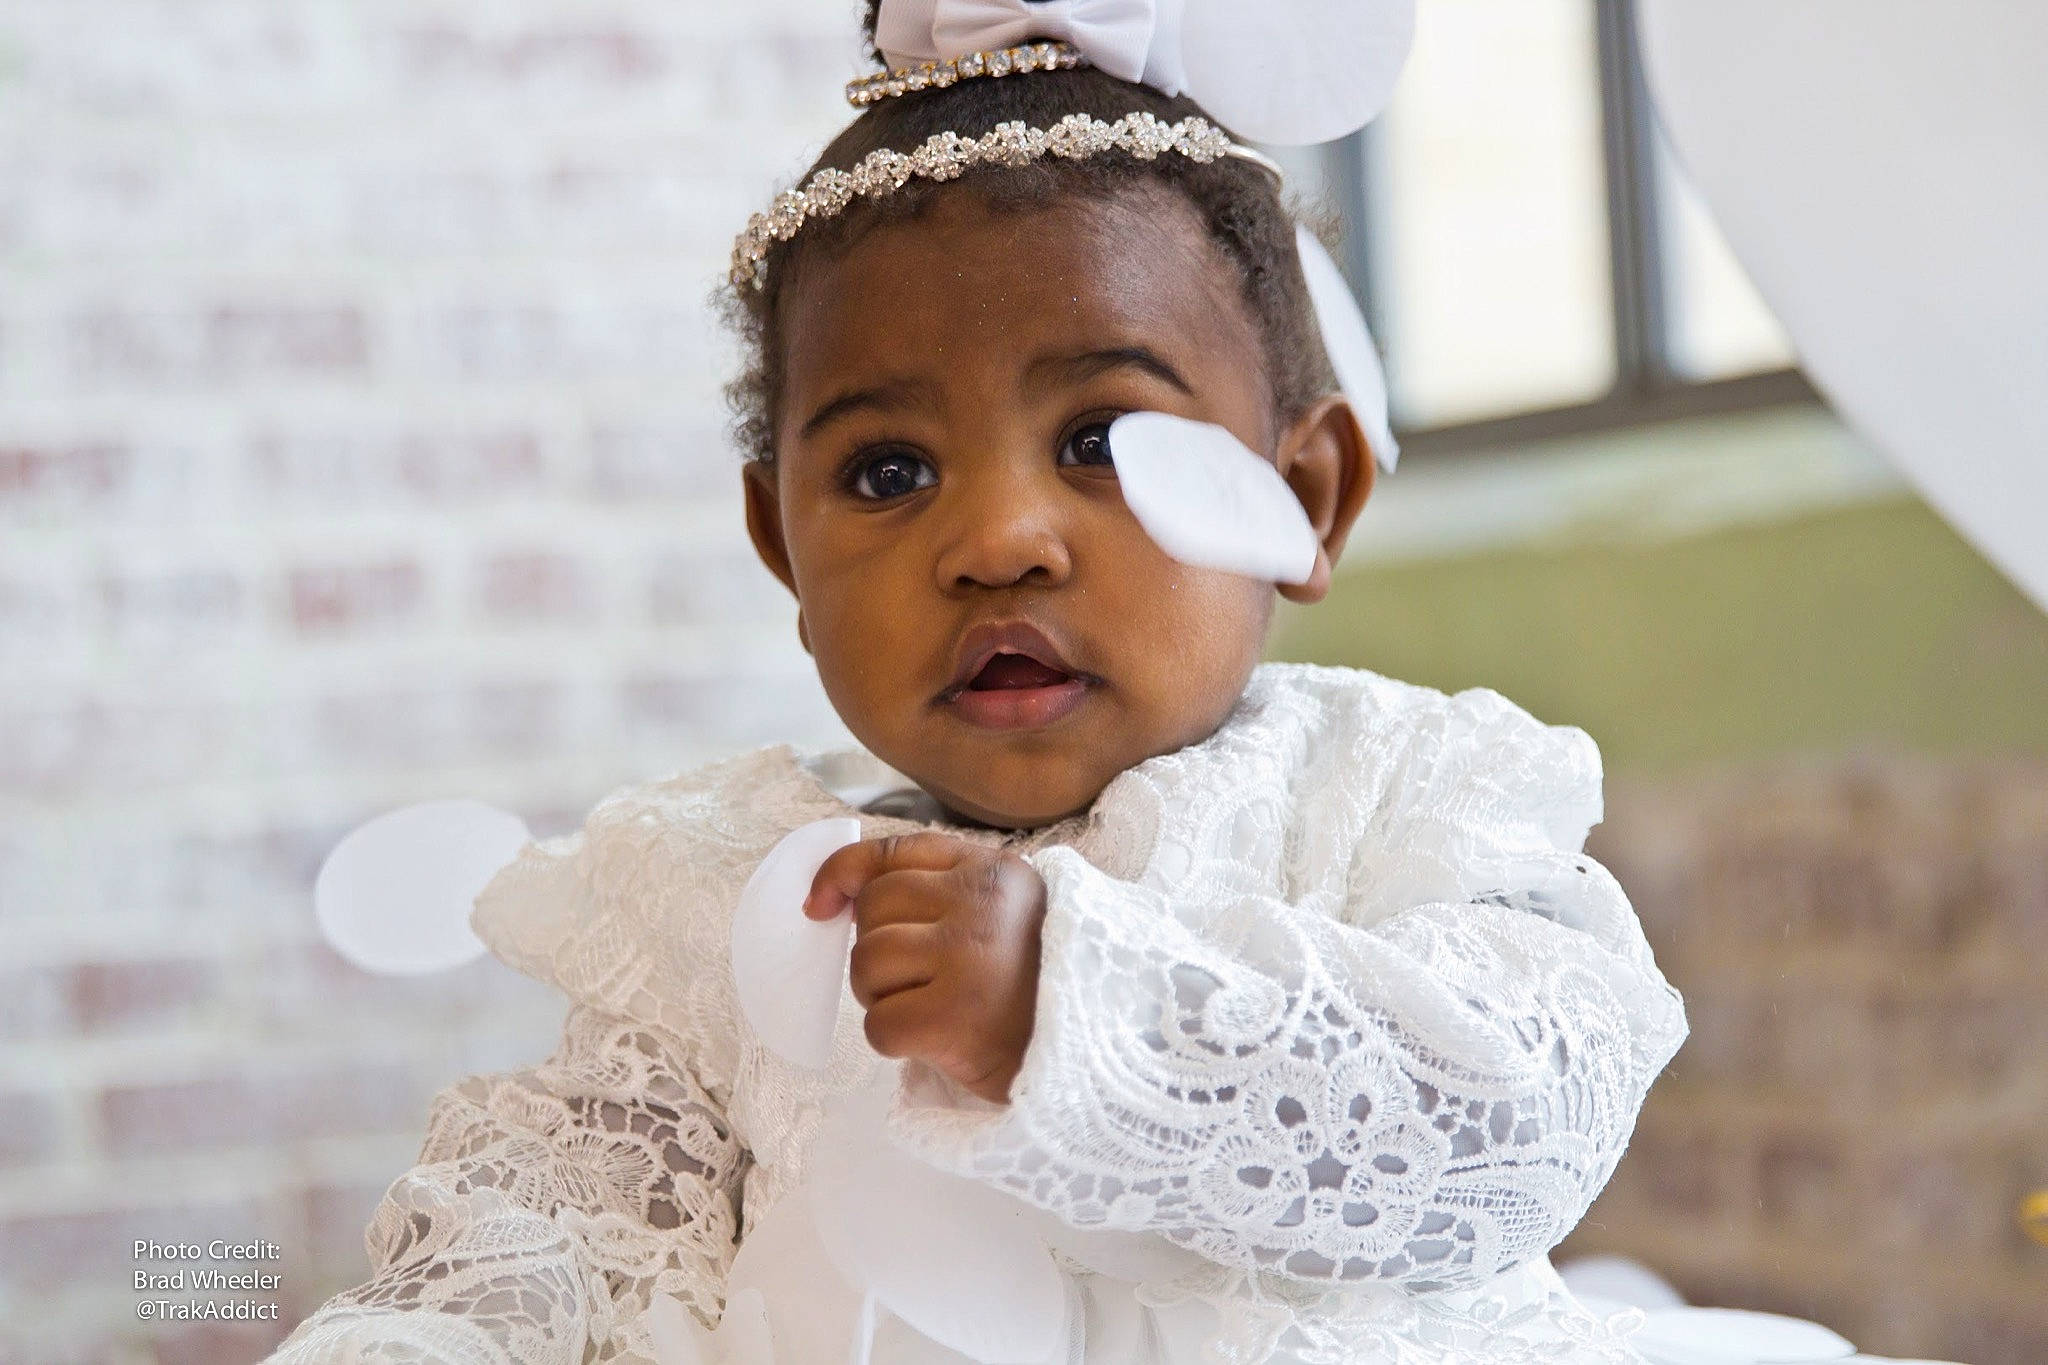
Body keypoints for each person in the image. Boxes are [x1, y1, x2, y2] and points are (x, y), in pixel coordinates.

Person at [267, 3, 1842, 1361]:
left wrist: (1077, 1011)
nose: (998, 538)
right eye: (888, 469)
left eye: (1100, 437)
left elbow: (1516, 1123)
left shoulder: (1402, 802)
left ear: (1311, 490)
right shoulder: (717, 905)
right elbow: (539, 1252)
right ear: (778, 541)